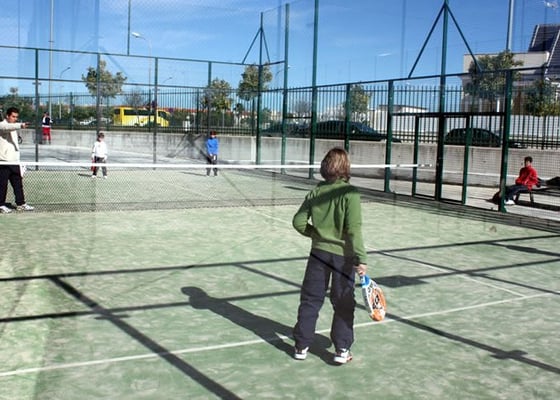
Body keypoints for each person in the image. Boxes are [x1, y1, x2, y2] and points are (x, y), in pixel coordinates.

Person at [292, 147, 367, 365]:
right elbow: (354, 229)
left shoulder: (316, 191)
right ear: (345, 167)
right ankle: (342, 349)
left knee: (310, 299)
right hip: (343, 258)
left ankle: (300, 346)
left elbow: (298, 222)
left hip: (318, 254)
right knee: (343, 302)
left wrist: (316, 235)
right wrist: (361, 258)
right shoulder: (350, 193)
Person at [0, 107, 34, 213]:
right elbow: (7, 127)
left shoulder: (13, 127)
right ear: (7, 116)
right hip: (3, 162)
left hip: (14, 161)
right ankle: (1, 205)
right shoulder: (2, 125)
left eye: (16, 117)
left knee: (18, 184)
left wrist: (19, 162)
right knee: (2, 185)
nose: (15, 119)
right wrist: (20, 125)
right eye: (13, 116)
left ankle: (21, 204)